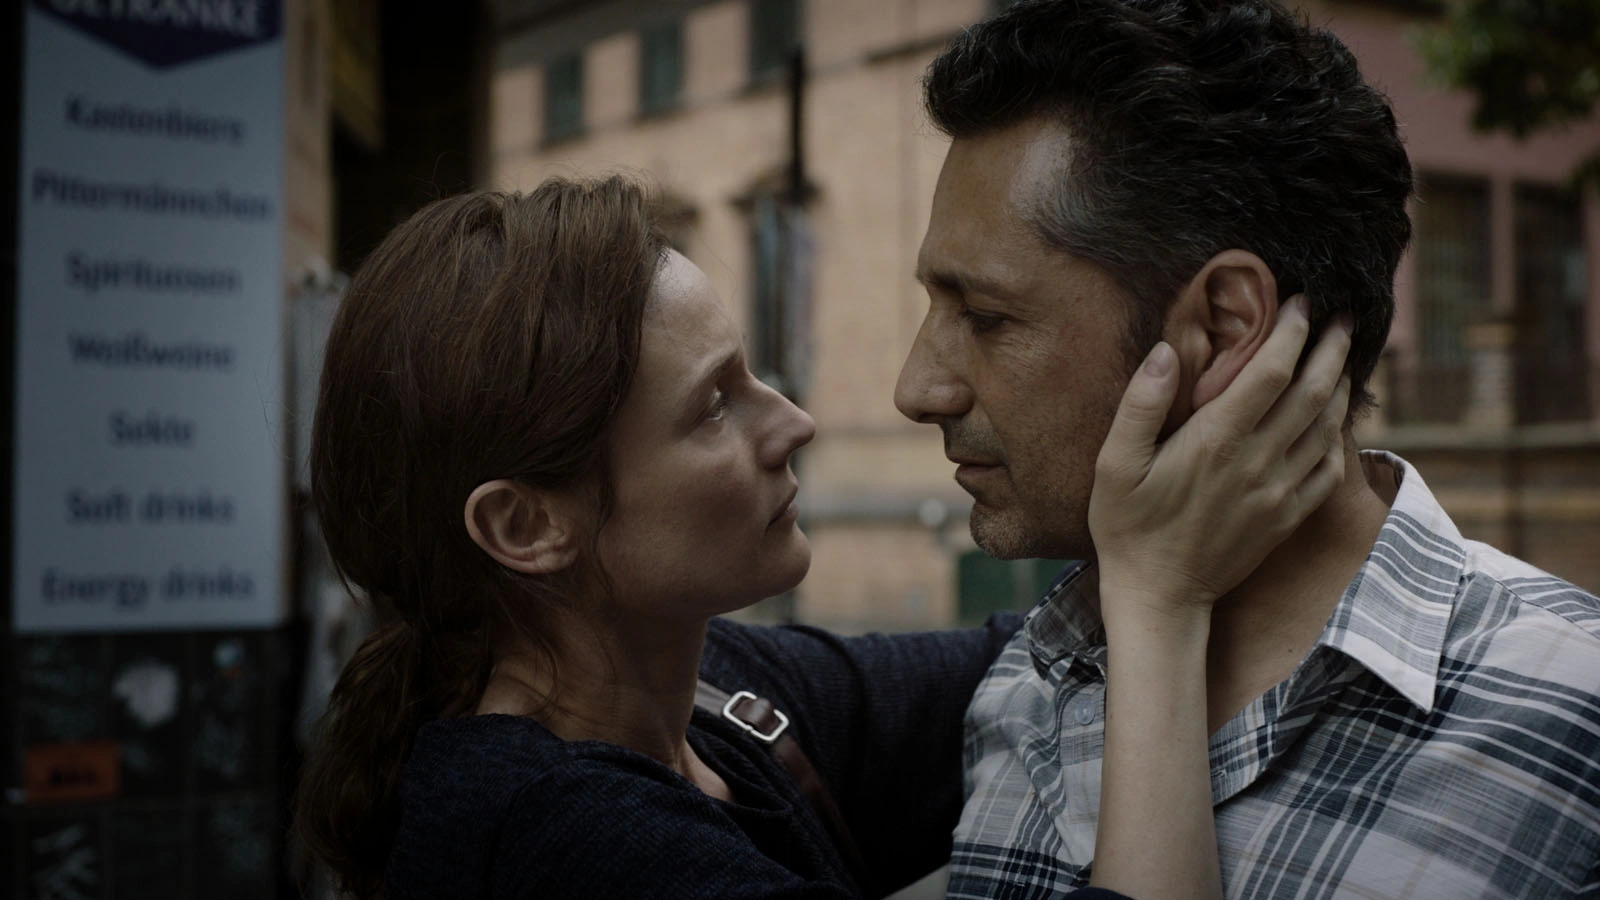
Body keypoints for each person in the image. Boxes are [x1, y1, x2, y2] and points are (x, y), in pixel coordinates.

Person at [290, 177, 1349, 900]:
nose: (792, 422)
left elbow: (1020, 666)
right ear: (527, 526)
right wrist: (1161, 600)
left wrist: (1198, 478)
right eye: (715, 405)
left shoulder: (718, 696)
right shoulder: (557, 842)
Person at [892, 1, 1600, 898]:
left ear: (1226, 327)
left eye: (987, 317)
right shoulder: (1024, 686)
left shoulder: (1572, 719)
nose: (917, 388)